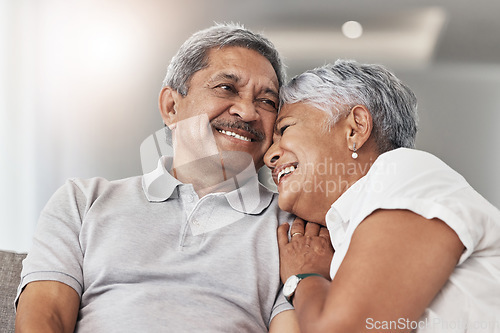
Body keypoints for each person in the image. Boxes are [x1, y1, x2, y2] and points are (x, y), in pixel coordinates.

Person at [15, 23, 304, 332]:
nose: (247, 112)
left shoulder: (292, 227)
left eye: (267, 102)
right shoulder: (82, 202)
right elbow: (45, 318)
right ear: (171, 107)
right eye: (226, 88)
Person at [264, 60, 500, 333]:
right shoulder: (345, 233)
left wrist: (305, 275)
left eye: (284, 130)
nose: (270, 156)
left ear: (356, 127)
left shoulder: (404, 171)